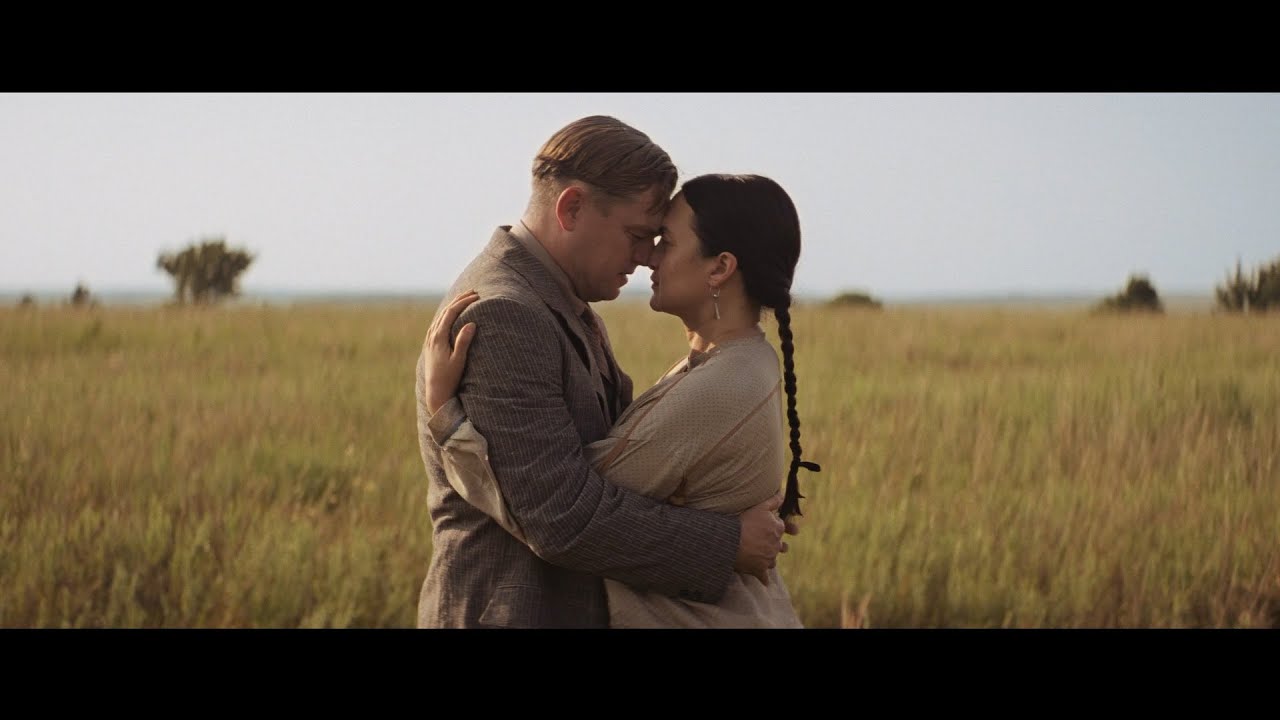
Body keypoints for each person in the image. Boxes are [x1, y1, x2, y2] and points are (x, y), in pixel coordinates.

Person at [414, 115, 790, 628]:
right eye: (637, 235)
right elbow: (558, 515)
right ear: (571, 208)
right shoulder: (503, 314)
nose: (646, 256)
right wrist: (730, 541)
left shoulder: (563, 302)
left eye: (657, 239)